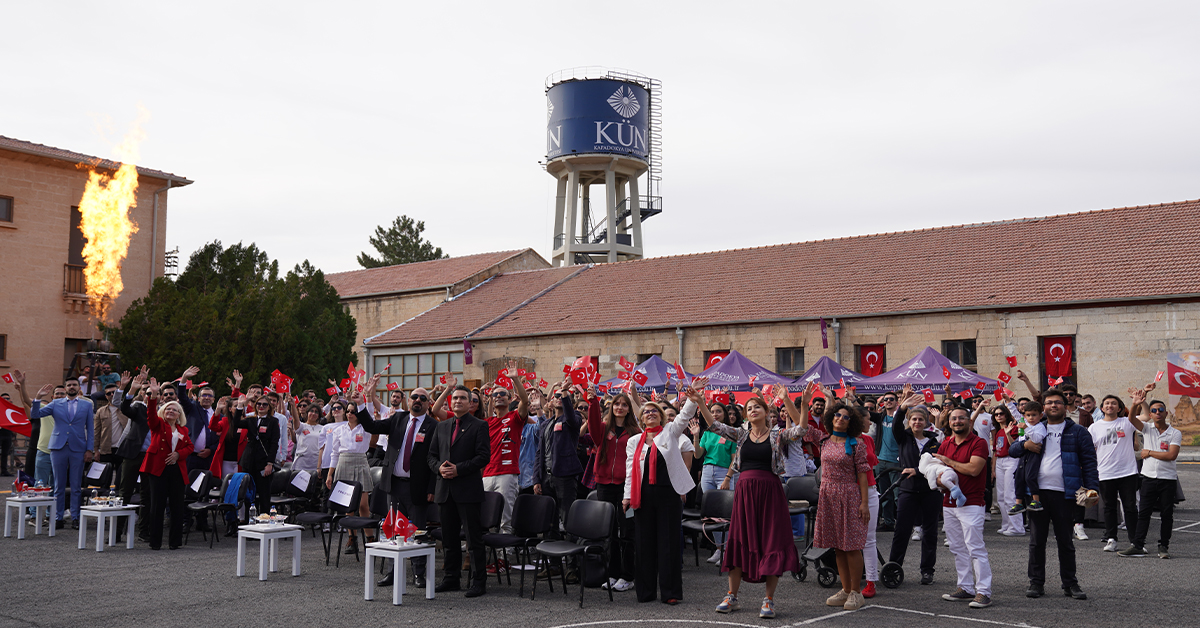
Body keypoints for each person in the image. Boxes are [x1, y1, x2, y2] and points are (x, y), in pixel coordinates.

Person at [706, 383, 806, 618]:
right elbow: (713, 424)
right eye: (749, 408)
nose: (752, 410)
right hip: (745, 491)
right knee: (739, 540)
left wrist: (787, 400)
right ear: (746, 414)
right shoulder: (740, 434)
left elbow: (801, 429)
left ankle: (768, 600)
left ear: (765, 412)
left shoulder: (777, 435)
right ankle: (732, 596)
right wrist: (700, 400)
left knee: (771, 541)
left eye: (757, 407)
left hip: (770, 491)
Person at [1011, 390, 1098, 600]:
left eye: (1057, 402)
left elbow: (1089, 462)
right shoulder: (1034, 428)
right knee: (1036, 541)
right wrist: (1025, 444)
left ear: (1065, 405)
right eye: (1049, 403)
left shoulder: (1078, 432)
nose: (1053, 406)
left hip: (1065, 493)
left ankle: (1070, 584)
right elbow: (1013, 450)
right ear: (1043, 408)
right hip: (1036, 495)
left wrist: (1092, 488)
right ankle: (1036, 583)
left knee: (1066, 541)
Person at [357, 375, 437, 587]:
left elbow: (436, 459)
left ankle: (419, 573)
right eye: (414, 397)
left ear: (428, 404)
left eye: (423, 397)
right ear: (408, 401)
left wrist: (432, 488)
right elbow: (371, 427)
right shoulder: (398, 419)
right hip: (395, 484)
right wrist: (364, 399)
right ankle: (394, 572)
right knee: (395, 531)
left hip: (417, 488)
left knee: (417, 531)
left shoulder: (433, 426)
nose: (417, 400)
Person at [622, 390, 696, 606]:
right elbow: (630, 470)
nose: (651, 413)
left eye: (655, 411)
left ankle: (670, 592)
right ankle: (645, 592)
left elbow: (685, 415)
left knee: (668, 542)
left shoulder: (671, 432)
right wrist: (627, 496)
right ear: (641, 418)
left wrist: (693, 396)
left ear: (662, 416)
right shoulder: (634, 441)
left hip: (668, 494)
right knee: (644, 544)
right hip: (642, 495)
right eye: (646, 412)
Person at [810, 389, 872, 612]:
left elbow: (863, 474)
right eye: (838, 415)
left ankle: (856, 592)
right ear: (831, 417)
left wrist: (864, 503)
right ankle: (845, 589)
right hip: (828, 494)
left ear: (851, 422)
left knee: (852, 546)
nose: (841, 419)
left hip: (848, 494)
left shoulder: (857, 444)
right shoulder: (824, 439)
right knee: (837, 546)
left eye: (846, 417)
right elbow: (800, 427)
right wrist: (792, 400)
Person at [427, 385, 491, 598]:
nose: (458, 401)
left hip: (467, 490)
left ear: (470, 402)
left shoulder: (479, 426)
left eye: (463, 398)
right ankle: (451, 578)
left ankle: (478, 581)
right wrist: (439, 468)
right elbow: (431, 456)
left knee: (473, 539)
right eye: (455, 398)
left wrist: (458, 469)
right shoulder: (442, 426)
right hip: (444, 490)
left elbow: (483, 457)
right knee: (449, 538)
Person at [936, 406, 993, 609]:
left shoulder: (979, 443)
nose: (957, 421)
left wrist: (948, 462)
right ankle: (965, 587)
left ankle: (984, 592)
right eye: (954, 419)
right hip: (948, 503)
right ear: (949, 422)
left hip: (972, 503)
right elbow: (938, 471)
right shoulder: (945, 443)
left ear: (970, 421)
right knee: (957, 548)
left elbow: (974, 469)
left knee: (975, 548)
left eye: (962, 418)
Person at [588, 388, 639, 592]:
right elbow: (591, 426)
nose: (619, 407)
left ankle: (628, 576)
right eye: (616, 404)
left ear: (628, 409)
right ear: (611, 407)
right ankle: (612, 574)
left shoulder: (635, 432)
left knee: (627, 532)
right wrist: (592, 402)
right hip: (604, 486)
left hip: (626, 488)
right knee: (609, 533)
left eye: (624, 404)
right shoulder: (602, 428)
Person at [888, 389, 941, 587]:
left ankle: (927, 571)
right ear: (909, 422)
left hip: (930, 492)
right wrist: (902, 407)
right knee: (901, 531)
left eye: (921, 419)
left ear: (927, 422)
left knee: (929, 532)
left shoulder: (934, 441)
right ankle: (894, 568)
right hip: (908, 490)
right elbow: (895, 424)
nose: (917, 422)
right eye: (914, 419)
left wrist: (918, 472)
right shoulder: (903, 437)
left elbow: (937, 466)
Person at [28, 376, 94, 530]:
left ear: (79, 388)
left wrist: (89, 449)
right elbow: (35, 415)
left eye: (74, 385)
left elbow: (90, 430)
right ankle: (58, 518)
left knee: (76, 485)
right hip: (58, 447)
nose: (71, 387)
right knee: (58, 484)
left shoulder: (86, 405)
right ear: (65, 388)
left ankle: (76, 518)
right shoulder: (56, 403)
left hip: (78, 447)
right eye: (69, 385)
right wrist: (38, 398)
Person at [1120, 393, 1181, 558]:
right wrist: (1135, 404)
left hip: (1167, 479)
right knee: (1144, 513)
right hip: (1148, 478)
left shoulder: (1175, 433)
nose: (1158, 412)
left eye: (1161, 409)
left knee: (1166, 514)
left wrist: (1149, 452)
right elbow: (1131, 419)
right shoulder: (1147, 428)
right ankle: (1138, 544)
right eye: (1154, 410)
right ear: (1151, 414)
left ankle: (1164, 546)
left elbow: (1171, 456)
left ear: (1166, 413)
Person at [141, 377, 194, 550]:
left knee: (177, 505)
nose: (171, 411)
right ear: (163, 411)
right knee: (157, 505)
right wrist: (154, 395)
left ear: (179, 415)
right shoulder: (158, 425)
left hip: (177, 470)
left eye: (175, 410)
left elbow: (190, 447)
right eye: (168, 409)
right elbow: (150, 413)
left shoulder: (183, 430)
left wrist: (179, 454)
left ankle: (175, 542)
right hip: (158, 469)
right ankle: (155, 542)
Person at [1087, 393, 1140, 552]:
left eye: (1114, 403)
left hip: (1127, 473)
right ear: (1102, 408)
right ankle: (1111, 539)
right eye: (1107, 403)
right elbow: (1090, 450)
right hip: (1105, 473)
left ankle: (1135, 541)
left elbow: (1143, 416)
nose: (1110, 406)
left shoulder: (1127, 422)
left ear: (1119, 408)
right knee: (1109, 507)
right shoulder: (1094, 427)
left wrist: (1136, 403)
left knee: (1130, 507)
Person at [326, 390, 376, 553]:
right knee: (348, 504)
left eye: (353, 412)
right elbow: (334, 453)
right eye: (348, 411)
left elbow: (369, 412)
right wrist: (330, 474)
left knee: (363, 504)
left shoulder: (366, 428)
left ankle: (369, 538)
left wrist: (368, 395)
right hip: (343, 462)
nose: (349, 414)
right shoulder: (339, 430)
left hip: (360, 461)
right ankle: (352, 538)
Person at [691, 398, 739, 565]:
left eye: (718, 411)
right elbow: (697, 455)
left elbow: (735, 460)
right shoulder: (707, 433)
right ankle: (719, 549)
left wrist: (728, 477)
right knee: (712, 514)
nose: (715, 414)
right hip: (707, 471)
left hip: (723, 473)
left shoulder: (731, 432)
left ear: (724, 414)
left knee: (725, 514)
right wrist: (696, 436)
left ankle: (728, 550)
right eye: (712, 412)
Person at [990, 401, 1025, 536]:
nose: (999, 416)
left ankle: (1017, 527)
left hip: (1011, 460)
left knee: (1011, 495)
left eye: (1001, 413)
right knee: (1001, 496)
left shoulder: (1014, 428)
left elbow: (1015, 447)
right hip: (1000, 461)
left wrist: (1009, 434)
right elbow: (995, 452)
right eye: (996, 414)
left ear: (1007, 415)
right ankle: (1006, 524)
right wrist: (993, 469)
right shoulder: (998, 432)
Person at [869, 391, 903, 531]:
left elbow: (903, 411)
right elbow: (866, 412)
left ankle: (902, 523)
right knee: (884, 495)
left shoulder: (900, 418)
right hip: (880, 460)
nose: (888, 401)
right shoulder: (881, 417)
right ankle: (888, 522)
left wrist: (905, 398)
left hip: (896, 461)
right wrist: (852, 399)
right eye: (886, 399)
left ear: (896, 402)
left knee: (898, 495)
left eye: (891, 399)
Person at [1009, 402, 1047, 515]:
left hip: (1034, 454)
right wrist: (1008, 402)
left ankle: (1036, 501)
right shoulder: (1024, 422)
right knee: (1019, 477)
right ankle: (1019, 503)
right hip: (1023, 453)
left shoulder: (1040, 427)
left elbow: (1036, 439)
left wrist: (1026, 429)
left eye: (1034, 415)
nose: (1031, 418)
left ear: (1040, 416)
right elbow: (1015, 414)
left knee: (1030, 477)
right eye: (1028, 415)